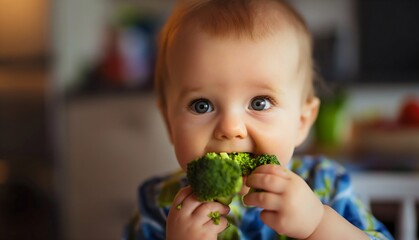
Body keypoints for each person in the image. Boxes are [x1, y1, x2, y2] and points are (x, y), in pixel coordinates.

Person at [123, 0, 393, 239]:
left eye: (259, 103)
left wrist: (318, 225)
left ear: (302, 121)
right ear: (169, 123)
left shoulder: (326, 185)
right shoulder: (158, 205)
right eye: (202, 105)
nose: (231, 128)